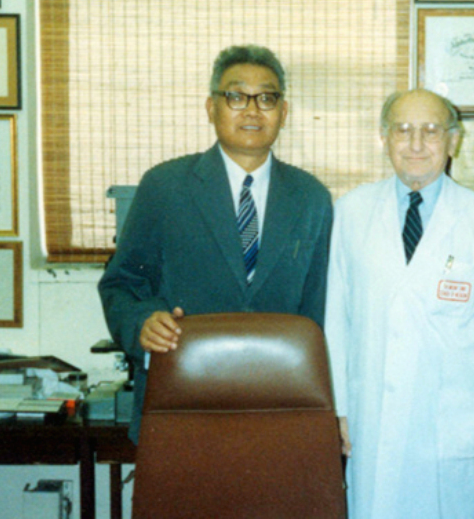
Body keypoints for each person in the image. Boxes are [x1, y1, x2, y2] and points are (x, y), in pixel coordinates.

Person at [98, 45, 333, 444]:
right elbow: (121, 284)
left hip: (280, 406)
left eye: (267, 98)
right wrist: (142, 323)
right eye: (236, 96)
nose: (253, 110)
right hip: (182, 401)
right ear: (211, 107)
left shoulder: (310, 197)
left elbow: (320, 309)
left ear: (284, 112)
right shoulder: (165, 186)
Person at [325, 88, 474, 519]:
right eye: (403, 130)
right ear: (384, 138)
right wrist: (339, 409)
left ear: (453, 140)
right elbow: (337, 322)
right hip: (373, 418)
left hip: (458, 427)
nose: (416, 144)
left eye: (431, 131)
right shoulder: (351, 212)